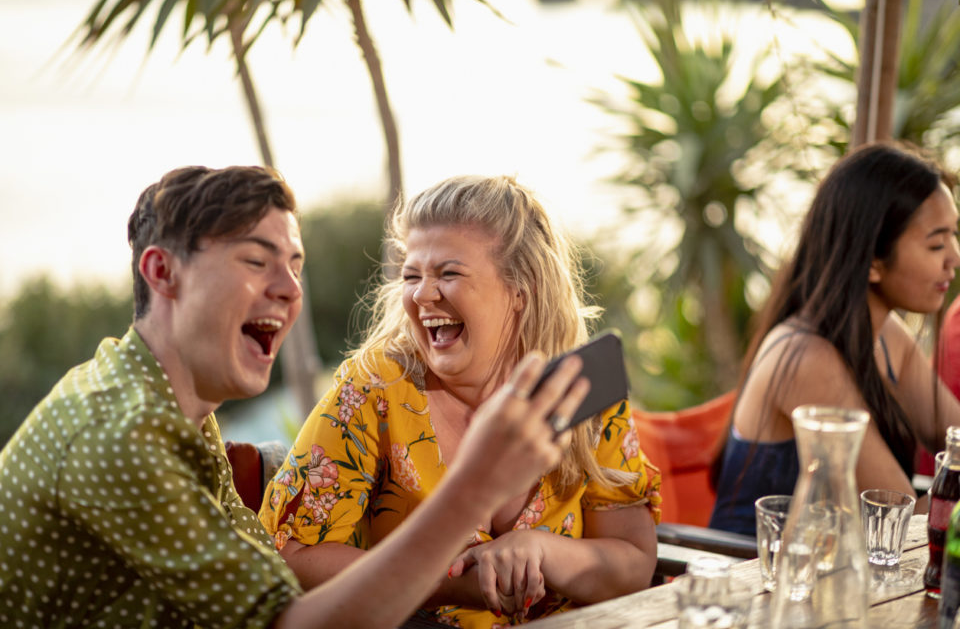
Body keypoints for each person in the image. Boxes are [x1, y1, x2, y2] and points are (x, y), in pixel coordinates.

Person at [0, 165, 587, 628]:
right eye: (256, 261)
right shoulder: (121, 436)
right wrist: (474, 487)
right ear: (162, 273)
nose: (289, 290)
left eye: (295, 265)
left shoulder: (168, 408)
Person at [259, 174, 662, 628]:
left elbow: (634, 564)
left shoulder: (581, 388)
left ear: (519, 291)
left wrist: (540, 551)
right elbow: (290, 554)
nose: (422, 294)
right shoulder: (375, 387)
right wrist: (458, 580)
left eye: (448, 273)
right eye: (412, 275)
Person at [709, 142, 960, 536]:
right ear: (873, 261)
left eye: (954, 236)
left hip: (838, 577)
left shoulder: (888, 335)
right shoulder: (805, 357)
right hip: (760, 584)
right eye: (936, 244)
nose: (955, 257)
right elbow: (896, 518)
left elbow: (956, 438)